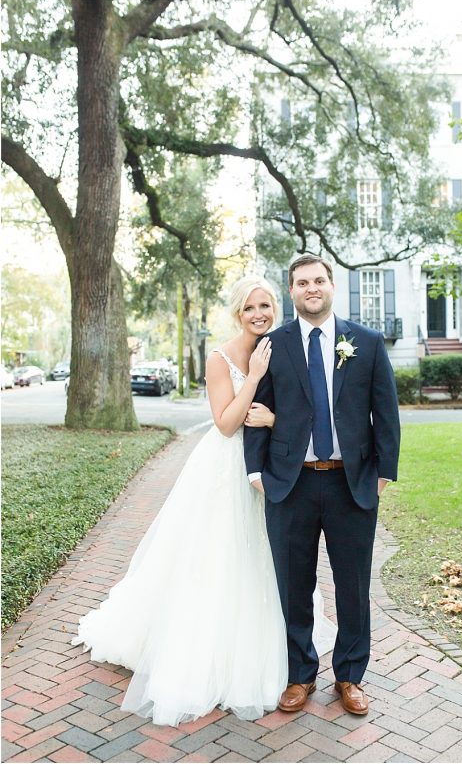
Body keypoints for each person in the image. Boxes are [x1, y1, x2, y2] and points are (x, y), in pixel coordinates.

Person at [73, 275, 336, 727]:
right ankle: (212, 650)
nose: (259, 314)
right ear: (238, 313)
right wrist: (252, 376)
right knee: (218, 558)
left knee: (273, 557)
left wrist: (274, 419)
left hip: (272, 469)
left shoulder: (285, 347)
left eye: (266, 306)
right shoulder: (221, 359)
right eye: (251, 308)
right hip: (224, 470)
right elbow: (227, 424)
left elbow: (301, 410)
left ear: (277, 308)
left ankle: (284, 644)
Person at [244, 254, 401, 716]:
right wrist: (257, 473)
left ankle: (350, 676)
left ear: (332, 286)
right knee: (293, 584)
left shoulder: (366, 343)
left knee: (352, 584)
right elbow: (257, 412)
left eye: (318, 280)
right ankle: (300, 675)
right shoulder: (273, 345)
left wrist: (383, 473)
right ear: (291, 291)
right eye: (301, 282)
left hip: (351, 484)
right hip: (289, 485)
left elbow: (385, 413)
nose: (311, 288)